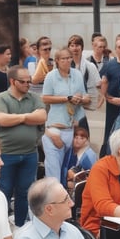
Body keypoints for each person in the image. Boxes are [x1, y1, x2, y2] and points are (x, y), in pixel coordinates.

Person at [0, 65, 47, 228]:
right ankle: (0, 227)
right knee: (4, 192)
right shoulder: (1, 98)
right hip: (7, 154)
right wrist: (27, 117)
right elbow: (1, 119)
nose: (28, 84)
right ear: (12, 81)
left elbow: (42, 116)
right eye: (23, 82)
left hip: (30, 154)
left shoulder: (34, 97)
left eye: (29, 81)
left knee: (24, 193)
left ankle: (20, 226)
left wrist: (16, 117)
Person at [42, 47, 88, 181]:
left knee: (67, 171)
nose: (67, 61)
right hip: (55, 128)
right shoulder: (51, 76)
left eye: (69, 58)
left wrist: (81, 99)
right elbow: (45, 98)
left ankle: (63, 198)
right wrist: (67, 98)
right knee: (53, 171)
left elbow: (86, 97)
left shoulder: (77, 74)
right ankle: (53, 198)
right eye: (63, 58)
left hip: (72, 128)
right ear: (57, 60)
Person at [100, 33, 120, 156]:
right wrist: (107, 97)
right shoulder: (109, 65)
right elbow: (103, 83)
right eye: (119, 47)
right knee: (111, 135)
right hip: (112, 108)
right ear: (115, 48)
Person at [68, 34, 101, 113]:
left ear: (82, 47)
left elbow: (97, 85)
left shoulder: (90, 66)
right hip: (68, 105)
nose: (75, 48)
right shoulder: (65, 66)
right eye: (72, 45)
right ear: (69, 48)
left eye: (77, 45)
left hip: (87, 106)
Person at [61, 125, 97, 190]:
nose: (78, 140)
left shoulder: (88, 155)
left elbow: (93, 176)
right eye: (76, 137)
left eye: (82, 138)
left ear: (87, 140)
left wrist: (75, 176)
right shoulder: (69, 150)